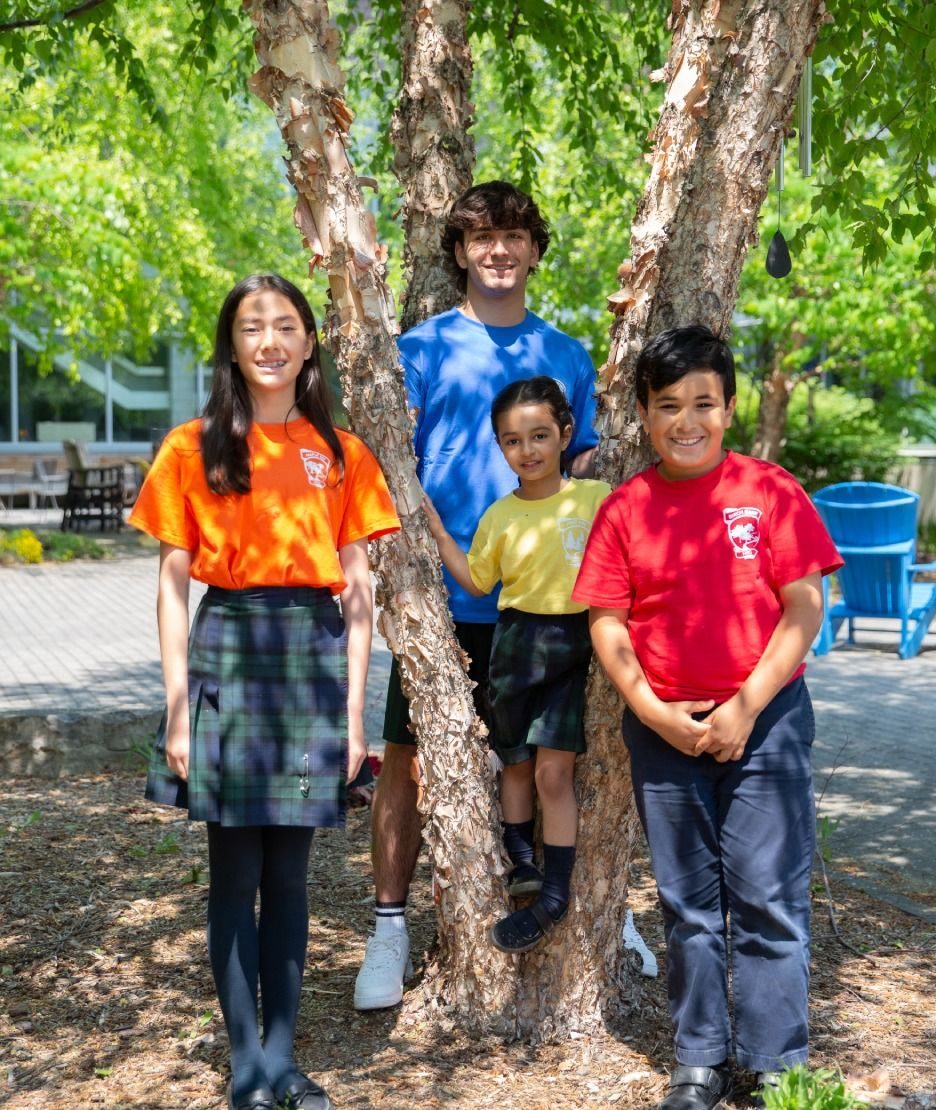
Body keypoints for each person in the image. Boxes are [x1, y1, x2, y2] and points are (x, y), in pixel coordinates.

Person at [129, 274, 400, 1110]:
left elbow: (360, 592)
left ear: (309, 343)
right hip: (228, 651)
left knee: (290, 877)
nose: (270, 341)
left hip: (313, 658)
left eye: (286, 325)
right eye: (252, 327)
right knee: (233, 872)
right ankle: (245, 1066)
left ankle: (284, 1060)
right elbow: (171, 587)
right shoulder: (191, 447)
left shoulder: (342, 452)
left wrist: (354, 713)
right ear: (232, 344)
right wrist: (179, 708)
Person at [572, 326, 843, 1110]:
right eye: (668, 406)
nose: (686, 421)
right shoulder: (625, 510)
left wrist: (745, 707)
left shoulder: (770, 491)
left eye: (703, 403)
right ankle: (699, 1059)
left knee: (768, 897)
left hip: (767, 724)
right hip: (665, 730)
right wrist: (654, 714)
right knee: (689, 905)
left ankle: (775, 1062)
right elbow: (607, 623)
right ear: (644, 415)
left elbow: (803, 608)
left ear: (727, 408)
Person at [353, 180, 601, 1009]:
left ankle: (598, 912)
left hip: (549, 611)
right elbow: (389, 460)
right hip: (446, 605)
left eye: (514, 236)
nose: (499, 250)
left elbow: (587, 475)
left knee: (561, 761)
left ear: (533, 251)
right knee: (408, 760)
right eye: (482, 238)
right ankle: (390, 927)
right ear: (459, 252)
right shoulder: (420, 349)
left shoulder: (567, 355)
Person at [423, 375, 611, 951]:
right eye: (512, 440)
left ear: (565, 434)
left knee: (554, 774)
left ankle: (555, 893)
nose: (527, 450)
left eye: (539, 436)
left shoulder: (595, 498)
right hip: (513, 645)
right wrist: (436, 531)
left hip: (572, 647)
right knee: (516, 764)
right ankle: (522, 860)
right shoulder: (499, 516)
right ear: (500, 446)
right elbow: (478, 580)